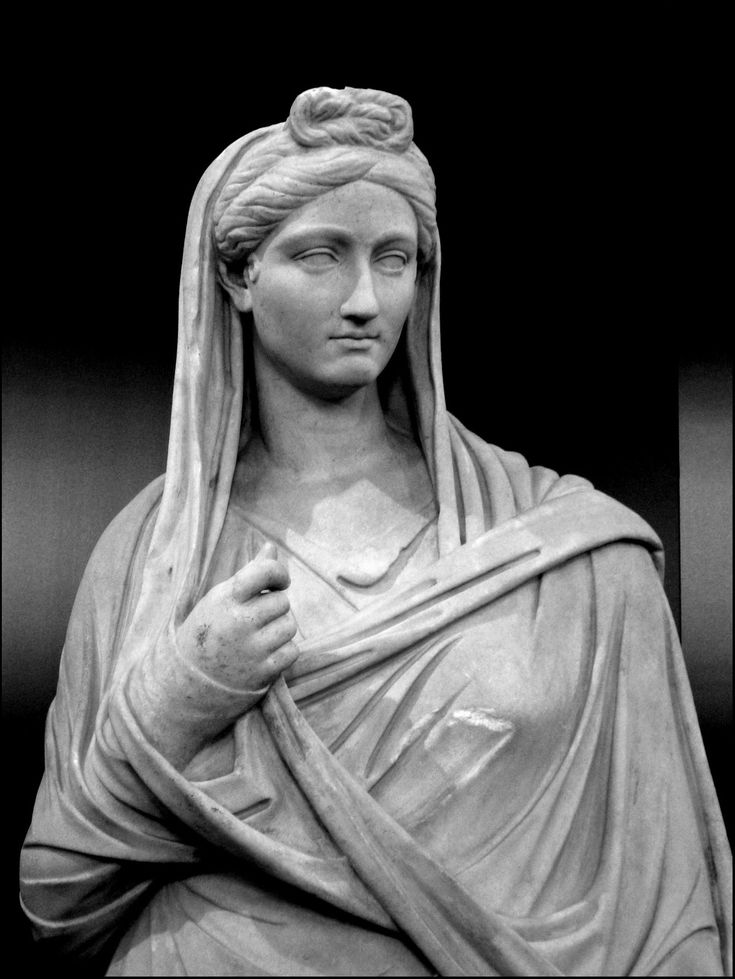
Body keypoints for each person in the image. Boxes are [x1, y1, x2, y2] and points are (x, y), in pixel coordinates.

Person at [20, 86, 731, 976]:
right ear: (237, 276)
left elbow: (666, 907)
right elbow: (57, 895)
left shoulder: (570, 553)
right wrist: (174, 704)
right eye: (320, 255)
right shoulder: (153, 554)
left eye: (393, 259)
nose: (365, 297)